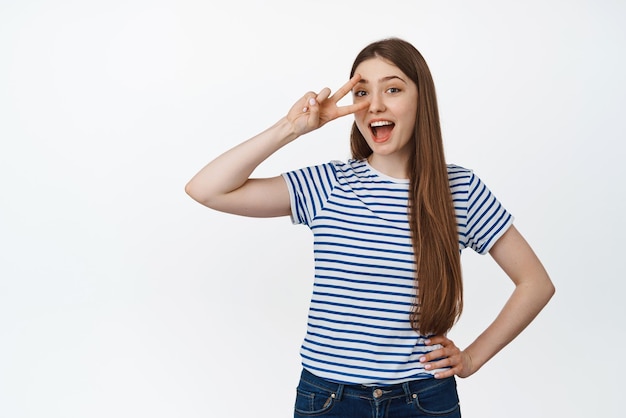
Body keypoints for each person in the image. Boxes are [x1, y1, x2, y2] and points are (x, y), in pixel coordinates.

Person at [185, 38, 555, 418]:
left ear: (421, 100)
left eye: (392, 89)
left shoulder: (459, 190)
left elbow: (536, 283)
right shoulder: (327, 184)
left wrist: (473, 358)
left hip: (423, 400)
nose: (375, 104)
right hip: (328, 400)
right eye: (362, 92)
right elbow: (207, 189)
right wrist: (290, 128)